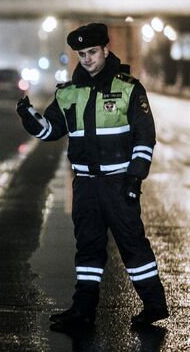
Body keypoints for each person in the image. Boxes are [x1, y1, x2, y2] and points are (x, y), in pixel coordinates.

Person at [16, 23, 168, 326]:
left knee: (133, 245)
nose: (87, 58)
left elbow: (144, 137)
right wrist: (29, 118)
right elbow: (50, 131)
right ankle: (83, 310)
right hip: (85, 185)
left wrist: (134, 179)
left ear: (105, 50)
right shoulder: (68, 94)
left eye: (92, 52)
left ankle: (155, 305)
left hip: (118, 182)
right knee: (88, 248)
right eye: (82, 54)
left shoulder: (128, 88)